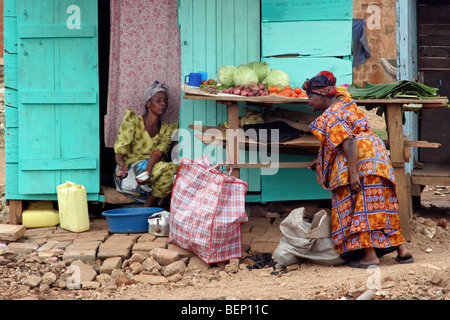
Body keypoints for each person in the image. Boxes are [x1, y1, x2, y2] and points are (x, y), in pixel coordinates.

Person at [303, 71, 414, 268]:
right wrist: (319, 159)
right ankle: (402, 250)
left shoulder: (330, 116)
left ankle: (370, 256)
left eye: (310, 97)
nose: (308, 102)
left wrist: (353, 174)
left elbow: (348, 143)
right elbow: (336, 142)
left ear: (322, 95)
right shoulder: (345, 102)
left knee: (359, 207)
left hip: (358, 160)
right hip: (377, 156)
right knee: (382, 204)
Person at [113, 81, 179, 207]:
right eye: (158, 100)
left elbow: (158, 152)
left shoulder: (167, 128)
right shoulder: (133, 122)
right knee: (168, 169)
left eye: (165, 101)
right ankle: (152, 207)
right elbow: (120, 148)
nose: (163, 104)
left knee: (172, 170)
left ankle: (146, 207)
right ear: (148, 103)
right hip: (130, 175)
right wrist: (121, 164)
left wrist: (147, 171)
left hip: (150, 174)